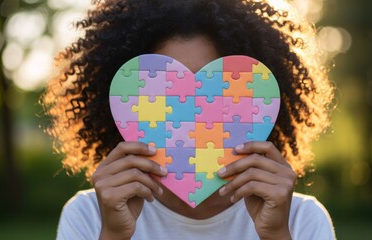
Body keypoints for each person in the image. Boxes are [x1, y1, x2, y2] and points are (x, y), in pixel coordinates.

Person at [43, 0, 336, 239]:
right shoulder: (89, 215)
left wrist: (275, 235)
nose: (193, 115)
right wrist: (114, 235)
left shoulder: (300, 219)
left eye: (219, 91)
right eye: (163, 94)